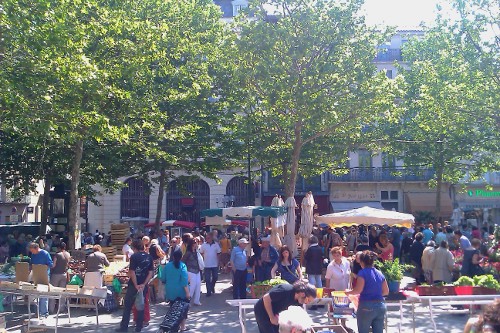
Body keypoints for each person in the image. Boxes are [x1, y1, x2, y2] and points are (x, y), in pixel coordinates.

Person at [346, 251, 389, 333]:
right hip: (380, 306)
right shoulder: (379, 273)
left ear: (361, 262)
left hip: (366, 306)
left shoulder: (362, 273)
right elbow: (386, 291)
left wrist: (348, 293)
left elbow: (358, 290)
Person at [116, 239, 154, 333]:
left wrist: (136, 284)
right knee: (141, 305)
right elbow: (150, 272)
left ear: (135, 248)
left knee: (128, 306)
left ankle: (124, 327)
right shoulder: (149, 257)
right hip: (143, 285)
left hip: (134, 285)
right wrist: (144, 284)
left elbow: (132, 272)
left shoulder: (134, 257)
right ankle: (139, 327)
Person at [161, 249, 190, 332]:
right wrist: (187, 293)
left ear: (173, 256)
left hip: (170, 291)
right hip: (181, 292)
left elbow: (163, 278)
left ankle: (172, 325)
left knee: (173, 310)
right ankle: (183, 327)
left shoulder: (167, 266)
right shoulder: (183, 266)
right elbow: (184, 281)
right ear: (181, 257)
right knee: (183, 310)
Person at [29, 242, 53, 317]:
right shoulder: (33, 255)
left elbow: (50, 264)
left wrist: (42, 268)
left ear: (37, 248)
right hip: (36, 276)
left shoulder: (45, 254)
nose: (32, 252)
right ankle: (37, 312)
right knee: (36, 294)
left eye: (33, 251)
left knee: (44, 294)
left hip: (44, 275)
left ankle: (44, 313)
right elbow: (31, 264)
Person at [49, 242, 71, 313]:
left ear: (58, 248)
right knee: (62, 292)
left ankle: (51, 309)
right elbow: (68, 265)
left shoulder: (57, 255)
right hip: (64, 274)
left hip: (56, 274)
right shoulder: (68, 254)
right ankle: (61, 308)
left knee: (52, 291)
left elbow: (53, 265)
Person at [199, 233, 221, 297]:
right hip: (206, 264)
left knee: (215, 277)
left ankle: (212, 286)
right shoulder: (203, 245)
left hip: (214, 264)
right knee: (207, 279)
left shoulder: (216, 245)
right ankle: (208, 291)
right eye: (206, 238)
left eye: (208, 238)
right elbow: (201, 253)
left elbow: (219, 253)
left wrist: (219, 262)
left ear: (211, 238)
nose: (207, 239)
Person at [182, 238, 202, 306]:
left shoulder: (197, 252)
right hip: (190, 271)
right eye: (195, 243)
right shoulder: (188, 253)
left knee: (198, 285)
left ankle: (196, 300)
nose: (196, 244)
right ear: (192, 244)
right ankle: (188, 301)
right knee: (192, 286)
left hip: (197, 270)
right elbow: (183, 261)